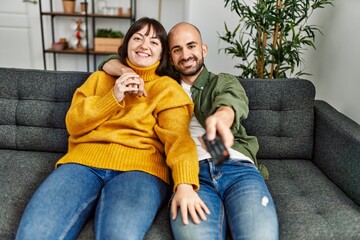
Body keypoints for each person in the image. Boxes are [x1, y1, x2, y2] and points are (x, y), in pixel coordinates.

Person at [16, 17, 209, 240]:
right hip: (82, 163)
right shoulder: (99, 79)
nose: (144, 45)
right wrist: (113, 96)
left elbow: (179, 139)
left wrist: (184, 184)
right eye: (138, 38)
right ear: (126, 44)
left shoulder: (167, 89)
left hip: (141, 171)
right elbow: (74, 124)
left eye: (154, 42)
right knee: (34, 234)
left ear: (162, 54)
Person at [99, 22, 279, 240]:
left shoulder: (222, 81)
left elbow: (231, 100)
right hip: (191, 176)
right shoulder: (163, 84)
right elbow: (107, 61)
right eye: (177, 50)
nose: (185, 54)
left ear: (203, 49)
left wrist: (221, 118)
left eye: (191, 46)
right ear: (170, 57)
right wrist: (127, 72)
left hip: (237, 168)